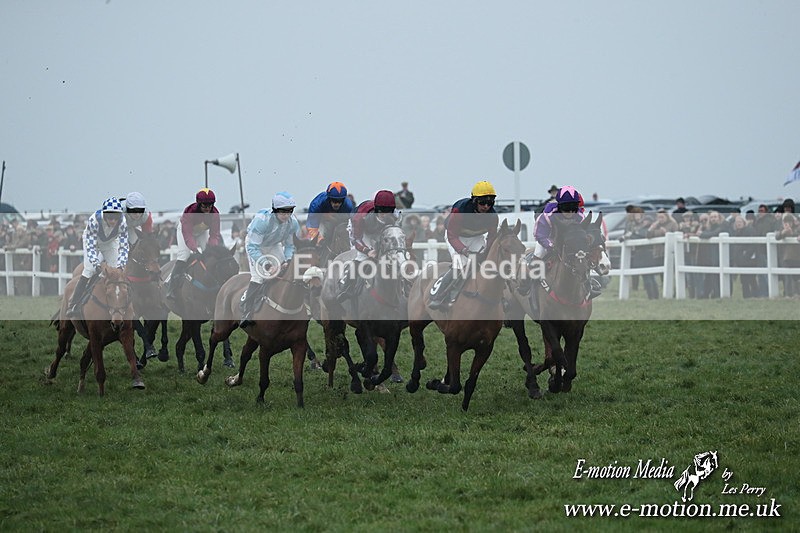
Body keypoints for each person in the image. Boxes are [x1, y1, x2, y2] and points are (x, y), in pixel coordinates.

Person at [428, 180, 499, 309]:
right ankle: (440, 296)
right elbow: (452, 236)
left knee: (486, 264)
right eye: (482, 202)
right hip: (455, 236)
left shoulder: (493, 216)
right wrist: (464, 251)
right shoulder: (460, 211)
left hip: (476, 237)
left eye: (490, 203)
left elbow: (492, 237)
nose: (486, 207)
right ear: (474, 201)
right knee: (460, 265)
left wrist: (486, 253)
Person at [239, 192, 301, 328]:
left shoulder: (293, 223)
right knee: (259, 277)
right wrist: (266, 265)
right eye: (283, 212)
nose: (286, 215)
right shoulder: (262, 221)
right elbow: (253, 248)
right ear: (275, 210)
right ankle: (246, 310)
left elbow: (290, 246)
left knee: (284, 272)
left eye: (289, 212)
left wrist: (288, 260)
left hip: (273, 245)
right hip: (255, 246)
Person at [66, 196, 129, 317]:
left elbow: (124, 246)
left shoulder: (122, 222)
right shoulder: (94, 220)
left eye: (116, 217)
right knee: (89, 270)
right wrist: (97, 265)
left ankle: (119, 303)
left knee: (116, 271)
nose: (113, 221)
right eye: (110, 217)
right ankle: (73, 304)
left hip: (110, 242)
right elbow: (90, 248)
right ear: (104, 214)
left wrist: (121, 266)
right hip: (93, 241)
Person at [337, 190, 399, 301]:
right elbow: (356, 240)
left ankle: (405, 286)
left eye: (388, 212)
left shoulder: (395, 216)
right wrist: (367, 251)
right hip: (361, 231)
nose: (385, 216)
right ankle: (347, 288)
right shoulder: (360, 218)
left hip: (378, 230)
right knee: (361, 258)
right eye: (382, 212)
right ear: (376, 210)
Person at [166, 188, 222, 300]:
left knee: (210, 256)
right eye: (205, 206)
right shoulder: (189, 212)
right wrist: (194, 249)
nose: (207, 208)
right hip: (185, 231)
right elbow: (188, 235)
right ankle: (171, 287)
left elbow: (214, 235)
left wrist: (211, 249)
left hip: (202, 232)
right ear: (198, 203)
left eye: (210, 205)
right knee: (184, 255)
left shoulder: (215, 214)